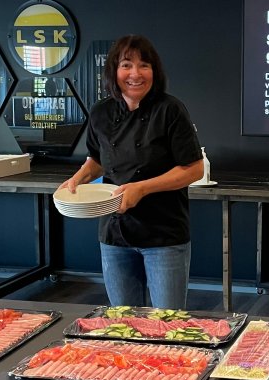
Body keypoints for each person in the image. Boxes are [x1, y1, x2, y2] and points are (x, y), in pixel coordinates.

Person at [60, 35, 203, 308]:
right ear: (114, 71)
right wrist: (79, 178)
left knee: (168, 322)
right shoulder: (100, 112)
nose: (135, 74)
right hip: (115, 233)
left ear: (155, 72)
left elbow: (193, 169)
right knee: (123, 320)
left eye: (144, 66)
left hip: (164, 234)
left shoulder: (170, 110)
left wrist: (142, 188)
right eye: (127, 65)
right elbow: (98, 159)